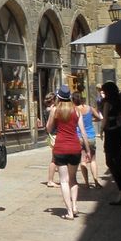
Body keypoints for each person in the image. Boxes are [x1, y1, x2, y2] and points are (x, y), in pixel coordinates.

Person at [45, 84, 88, 220]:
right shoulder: (76, 111)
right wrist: (87, 149)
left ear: (58, 97)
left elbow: (48, 128)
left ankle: (69, 211)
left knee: (64, 181)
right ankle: (74, 206)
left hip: (61, 148)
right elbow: (83, 132)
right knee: (73, 179)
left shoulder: (55, 110)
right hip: (75, 147)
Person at [99, 82, 121, 203]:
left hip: (110, 133)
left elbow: (105, 118)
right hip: (117, 132)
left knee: (110, 160)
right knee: (116, 159)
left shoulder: (107, 103)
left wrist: (101, 130)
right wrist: (119, 124)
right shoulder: (118, 102)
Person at [75, 91, 102, 187]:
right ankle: (96, 181)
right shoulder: (90, 108)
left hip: (79, 137)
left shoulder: (74, 110)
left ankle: (86, 183)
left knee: (83, 160)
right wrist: (92, 119)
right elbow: (99, 118)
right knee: (93, 160)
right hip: (90, 136)